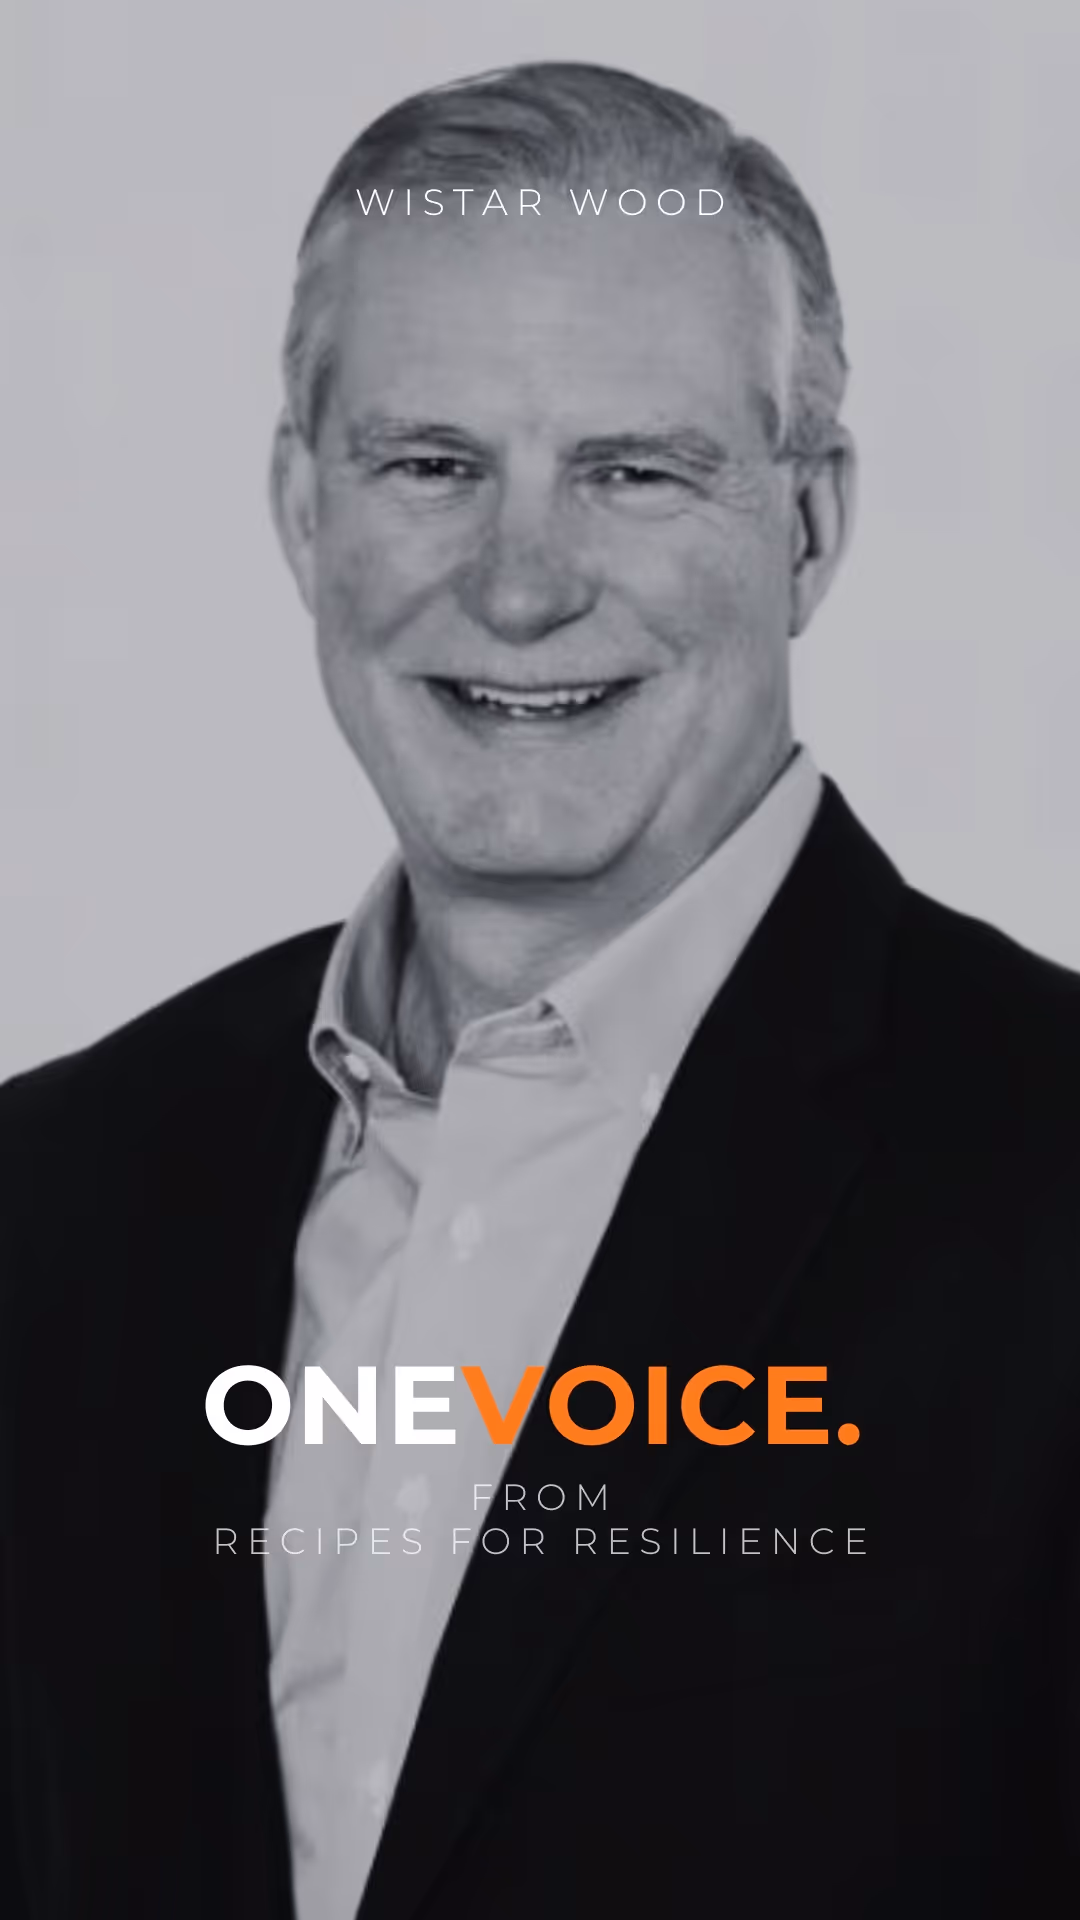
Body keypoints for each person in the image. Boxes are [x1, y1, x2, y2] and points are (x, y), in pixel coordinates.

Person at [1, 60, 1077, 1920]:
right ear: (301, 511)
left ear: (808, 527)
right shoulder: (56, 1188)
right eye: (430, 466)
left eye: (633, 472)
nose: (517, 587)